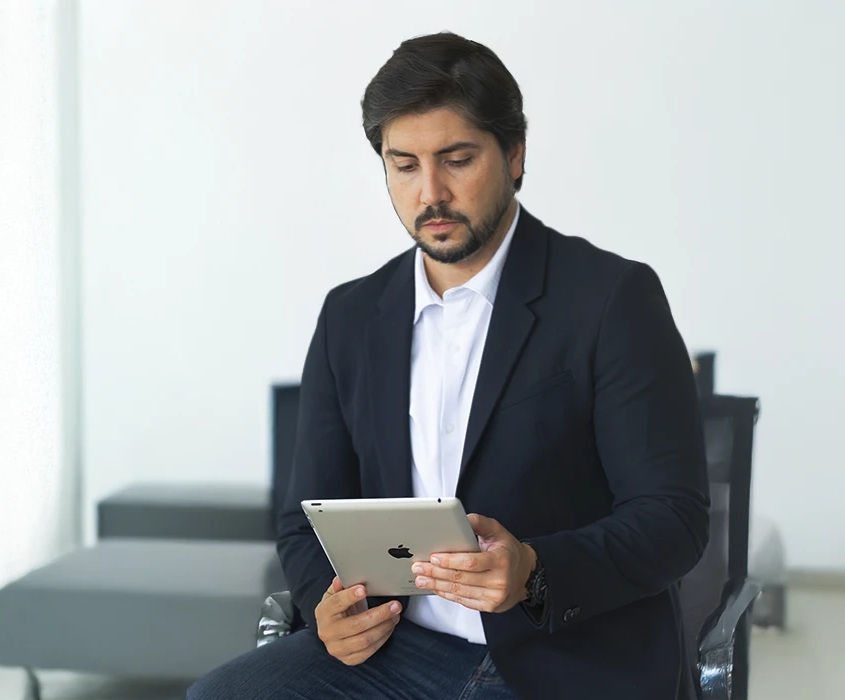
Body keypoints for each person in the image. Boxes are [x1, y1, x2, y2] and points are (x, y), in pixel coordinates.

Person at [189, 31, 708, 700]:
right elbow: (302, 517)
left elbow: (672, 518)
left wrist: (533, 571)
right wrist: (332, 609)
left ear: (514, 154)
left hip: (560, 657)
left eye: (455, 159)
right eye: (403, 165)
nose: (429, 191)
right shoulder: (349, 316)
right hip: (394, 651)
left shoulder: (610, 299)